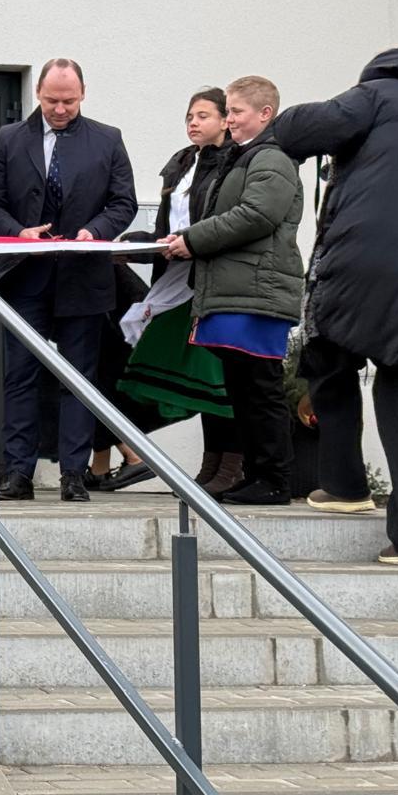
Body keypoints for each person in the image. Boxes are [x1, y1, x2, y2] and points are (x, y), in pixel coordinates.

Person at [275, 43, 398, 564]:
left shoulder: (377, 95)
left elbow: (298, 131)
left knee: (330, 351)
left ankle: (363, 498)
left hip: (367, 265)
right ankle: (396, 522)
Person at [0, 58, 136, 502]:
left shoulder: (107, 139)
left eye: (69, 101)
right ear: (38, 94)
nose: (60, 109)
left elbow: (122, 202)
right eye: (52, 101)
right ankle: (18, 474)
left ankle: (73, 474)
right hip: (25, 275)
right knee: (20, 376)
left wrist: (95, 232)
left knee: (78, 378)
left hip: (83, 277)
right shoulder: (10, 138)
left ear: (82, 95)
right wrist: (18, 233)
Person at [164, 75, 303, 506]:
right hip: (241, 290)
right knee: (243, 389)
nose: (230, 120)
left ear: (265, 113)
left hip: (258, 293)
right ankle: (256, 475)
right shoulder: (246, 157)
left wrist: (194, 239)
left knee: (260, 387)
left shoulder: (272, 158)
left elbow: (256, 215)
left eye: (236, 112)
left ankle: (274, 479)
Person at [105, 88, 236, 493]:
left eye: (203, 115)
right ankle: (211, 465)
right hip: (176, 281)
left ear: (225, 120)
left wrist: (188, 242)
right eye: (190, 116)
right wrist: (138, 247)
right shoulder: (181, 163)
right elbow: (168, 231)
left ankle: (231, 465)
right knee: (191, 375)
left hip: (213, 281)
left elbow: (223, 224)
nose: (193, 123)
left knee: (217, 377)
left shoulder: (235, 161)